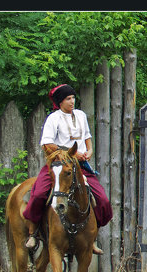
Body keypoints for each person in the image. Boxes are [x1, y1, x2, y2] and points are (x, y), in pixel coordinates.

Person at [24, 84, 113, 255]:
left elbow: (87, 137)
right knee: (38, 194)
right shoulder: (53, 118)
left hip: (80, 167)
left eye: (73, 98)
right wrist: (71, 153)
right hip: (59, 165)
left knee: (102, 200)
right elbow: (47, 144)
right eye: (68, 99)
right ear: (60, 102)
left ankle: (92, 237)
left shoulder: (80, 115)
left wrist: (89, 151)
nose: (72, 101)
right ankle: (33, 233)